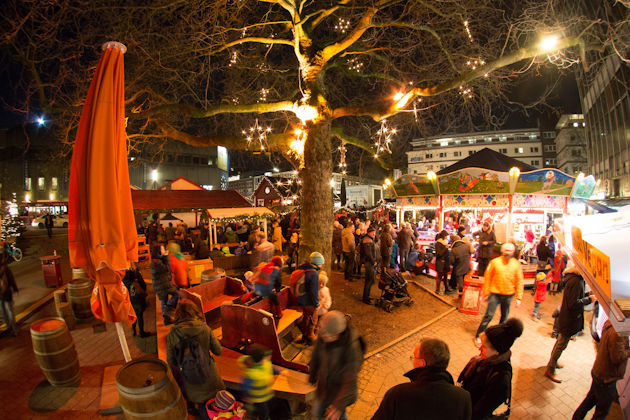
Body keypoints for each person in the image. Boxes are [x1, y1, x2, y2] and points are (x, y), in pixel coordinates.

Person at [372, 338, 471, 420]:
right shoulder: (463, 398)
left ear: (422, 363)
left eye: (414, 357)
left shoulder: (397, 394)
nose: (412, 360)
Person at [167, 299, 224, 419]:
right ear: (195, 311)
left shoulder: (173, 334)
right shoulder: (204, 328)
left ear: (177, 314)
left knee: (203, 405)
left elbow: (171, 361)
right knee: (216, 406)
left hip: (190, 377)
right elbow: (218, 351)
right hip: (210, 374)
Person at [459, 318, 523, 420]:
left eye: (484, 347)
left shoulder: (500, 381)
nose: (479, 349)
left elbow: (479, 413)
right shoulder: (486, 359)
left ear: (497, 352)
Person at [545, 260, 596, 383]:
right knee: (561, 343)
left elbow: (574, 296)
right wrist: (589, 299)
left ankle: (553, 362)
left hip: (567, 317)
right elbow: (573, 303)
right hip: (569, 319)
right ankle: (550, 369)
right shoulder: (576, 281)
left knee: (560, 342)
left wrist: (587, 293)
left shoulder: (574, 278)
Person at [309, 311, 363, 420]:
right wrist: (313, 372)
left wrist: (338, 406)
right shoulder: (324, 335)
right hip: (324, 388)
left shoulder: (351, 349)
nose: (323, 338)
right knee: (317, 411)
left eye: (327, 336)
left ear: (337, 334)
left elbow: (350, 380)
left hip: (338, 393)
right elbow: (316, 353)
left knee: (337, 415)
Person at [572, 320, 630, 420]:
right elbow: (617, 357)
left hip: (599, 371)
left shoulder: (611, 323)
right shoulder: (618, 333)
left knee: (588, 401)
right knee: (601, 413)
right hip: (606, 378)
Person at [474, 243, 523, 343]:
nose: (508, 252)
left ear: (513, 252)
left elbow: (519, 280)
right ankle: (479, 335)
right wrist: (486, 293)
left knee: (504, 318)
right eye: (506, 250)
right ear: (502, 251)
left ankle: (500, 337)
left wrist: (519, 297)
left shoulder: (516, 264)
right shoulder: (494, 262)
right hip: (494, 293)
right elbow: (488, 278)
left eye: (510, 251)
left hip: (509, 294)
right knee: (489, 315)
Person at [238, 344, 280, 420]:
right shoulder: (251, 374)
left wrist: (279, 372)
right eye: (267, 357)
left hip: (266, 394)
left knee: (269, 406)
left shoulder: (265, 363)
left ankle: (254, 411)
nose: (269, 358)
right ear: (259, 359)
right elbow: (245, 387)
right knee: (264, 411)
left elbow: (271, 368)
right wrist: (246, 397)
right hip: (258, 398)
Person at [296, 252, 323, 345]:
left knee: (306, 319)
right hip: (309, 302)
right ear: (317, 262)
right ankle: (310, 338)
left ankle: (304, 336)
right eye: (321, 263)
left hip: (302, 299)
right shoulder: (314, 274)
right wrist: (316, 304)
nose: (322, 265)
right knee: (312, 320)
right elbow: (313, 291)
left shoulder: (304, 269)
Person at [151, 244, 178, 322]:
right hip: (162, 285)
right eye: (162, 249)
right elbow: (167, 268)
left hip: (161, 284)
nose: (164, 250)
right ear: (158, 251)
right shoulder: (156, 262)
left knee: (164, 300)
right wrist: (166, 257)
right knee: (177, 294)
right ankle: (167, 309)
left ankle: (166, 319)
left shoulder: (157, 259)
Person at [122, 264, 149, 337]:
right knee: (139, 316)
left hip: (129, 299)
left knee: (133, 314)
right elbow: (143, 285)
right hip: (138, 298)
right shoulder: (136, 274)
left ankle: (134, 330)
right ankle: (141, 332)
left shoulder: (122, 278)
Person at [0, 248, 19, 336]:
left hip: (0, 295)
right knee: (10, 311)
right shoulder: (5, 269)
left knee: (3, 312)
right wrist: (15, 288)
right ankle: (14, 330)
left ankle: (8, 328)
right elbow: (11, 279)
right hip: (7, 293)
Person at [360, 226, 378, 305]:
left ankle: (367, 295)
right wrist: (373, 261)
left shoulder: (369, 239)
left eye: (375, 232)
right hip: (369, 263)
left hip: (370, 262)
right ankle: (365, 298)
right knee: (369, 280)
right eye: (372, 232)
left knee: (371, 280)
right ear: (368, 233)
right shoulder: (367, 240)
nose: (374, 234)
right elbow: (368, 254)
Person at [434, 230, 452, 295]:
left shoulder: (445, 243)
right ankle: (437, 289)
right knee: (439, 276)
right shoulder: (438, 244)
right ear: (444, 236)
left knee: (445, 276)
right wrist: (445, 248)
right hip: (440, 263)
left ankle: (446, 289)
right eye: (447, 236)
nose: (447, 237)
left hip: (445, 263)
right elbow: (439, 254)